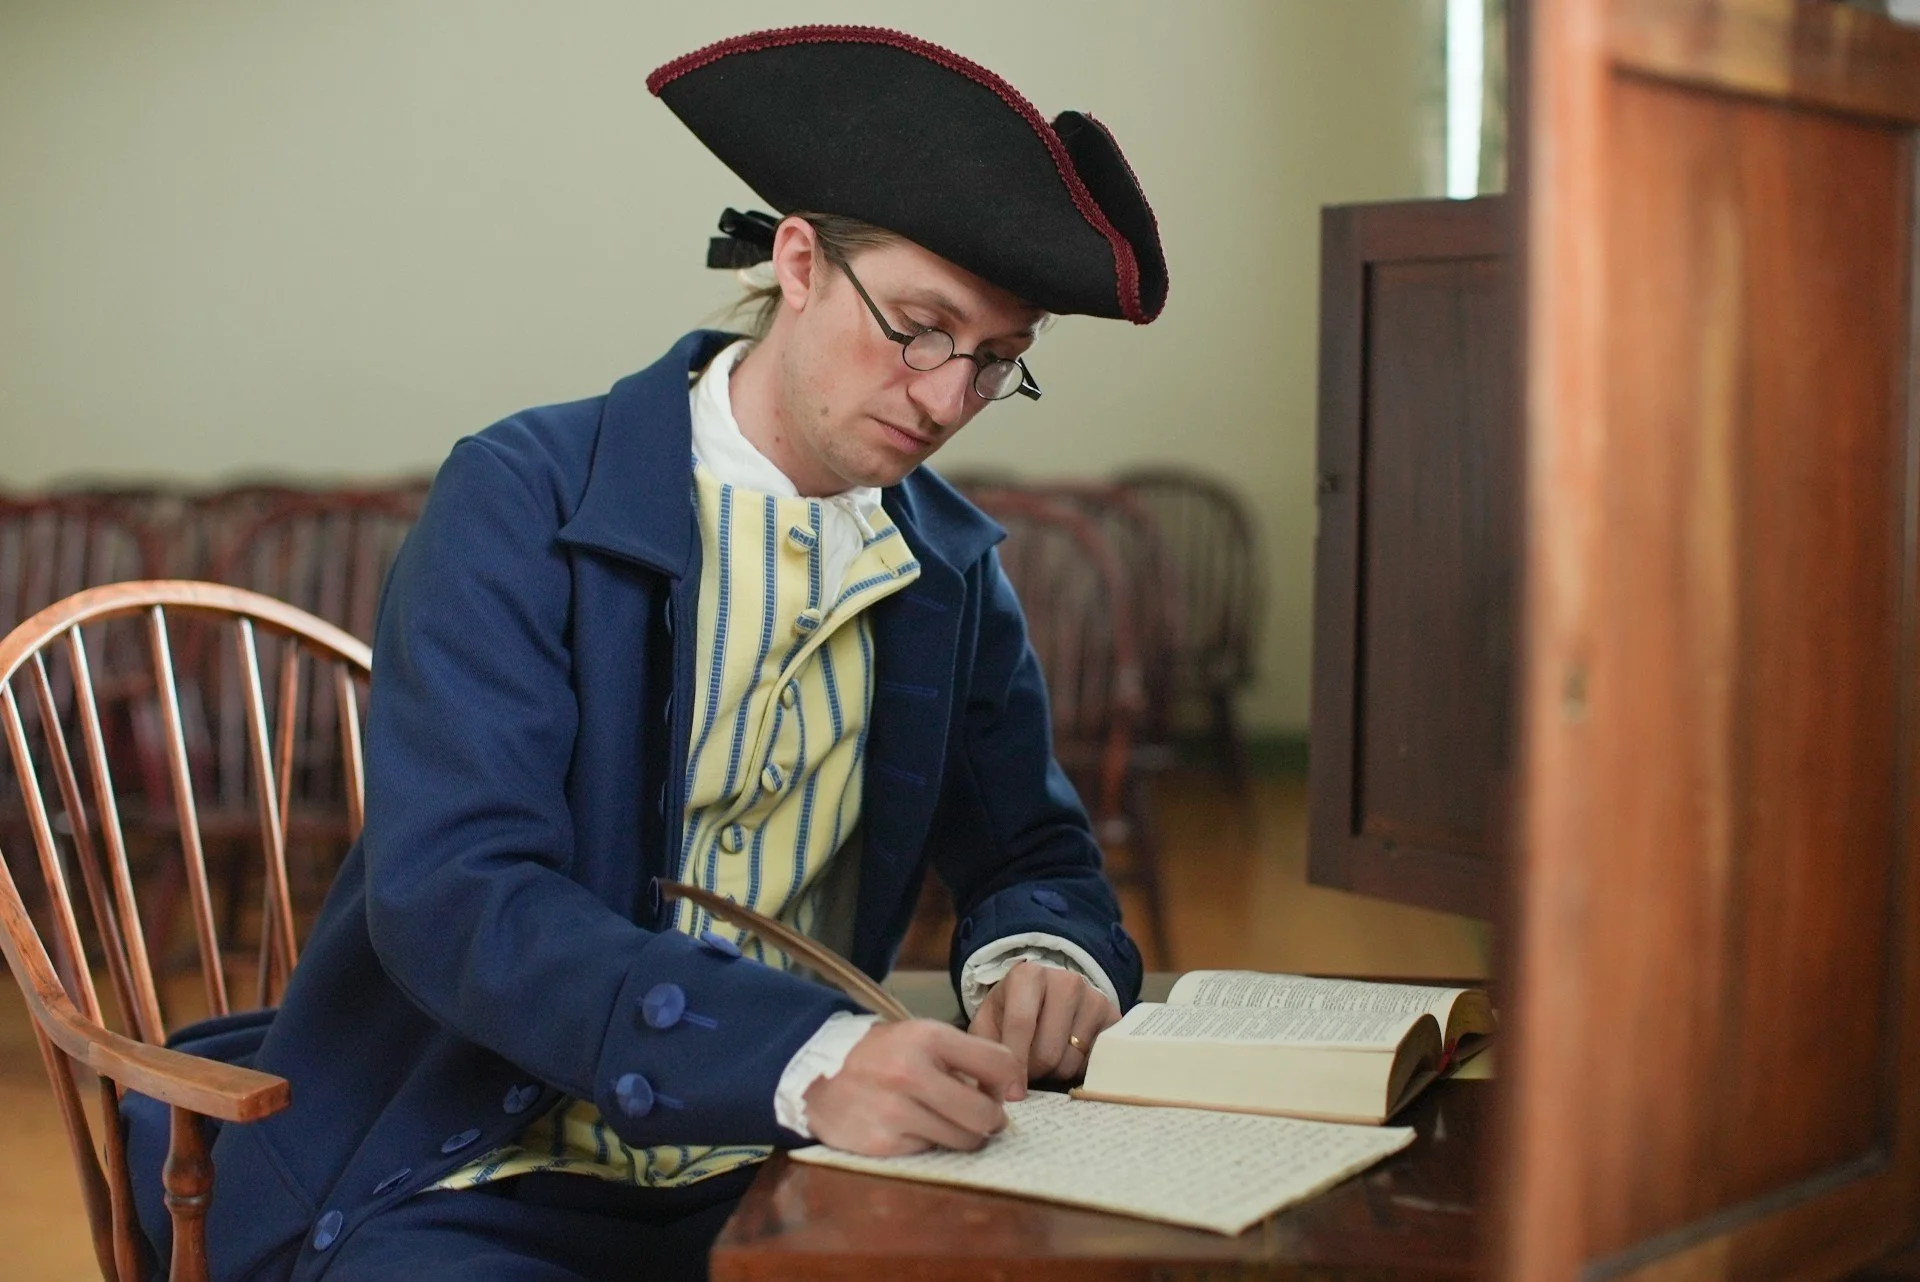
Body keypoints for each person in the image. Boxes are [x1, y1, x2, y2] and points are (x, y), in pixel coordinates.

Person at [134, 24, 1169, 1282]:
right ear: (798, 262)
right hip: (471, 1159)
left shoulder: (946, 564)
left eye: (998, 362)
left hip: (794, 1165)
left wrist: (1045, 951)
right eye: (918, 327)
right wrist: (806, 1056)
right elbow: (459, 896)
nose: (947, 398)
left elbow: (1031, 850)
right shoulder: (518, 496)